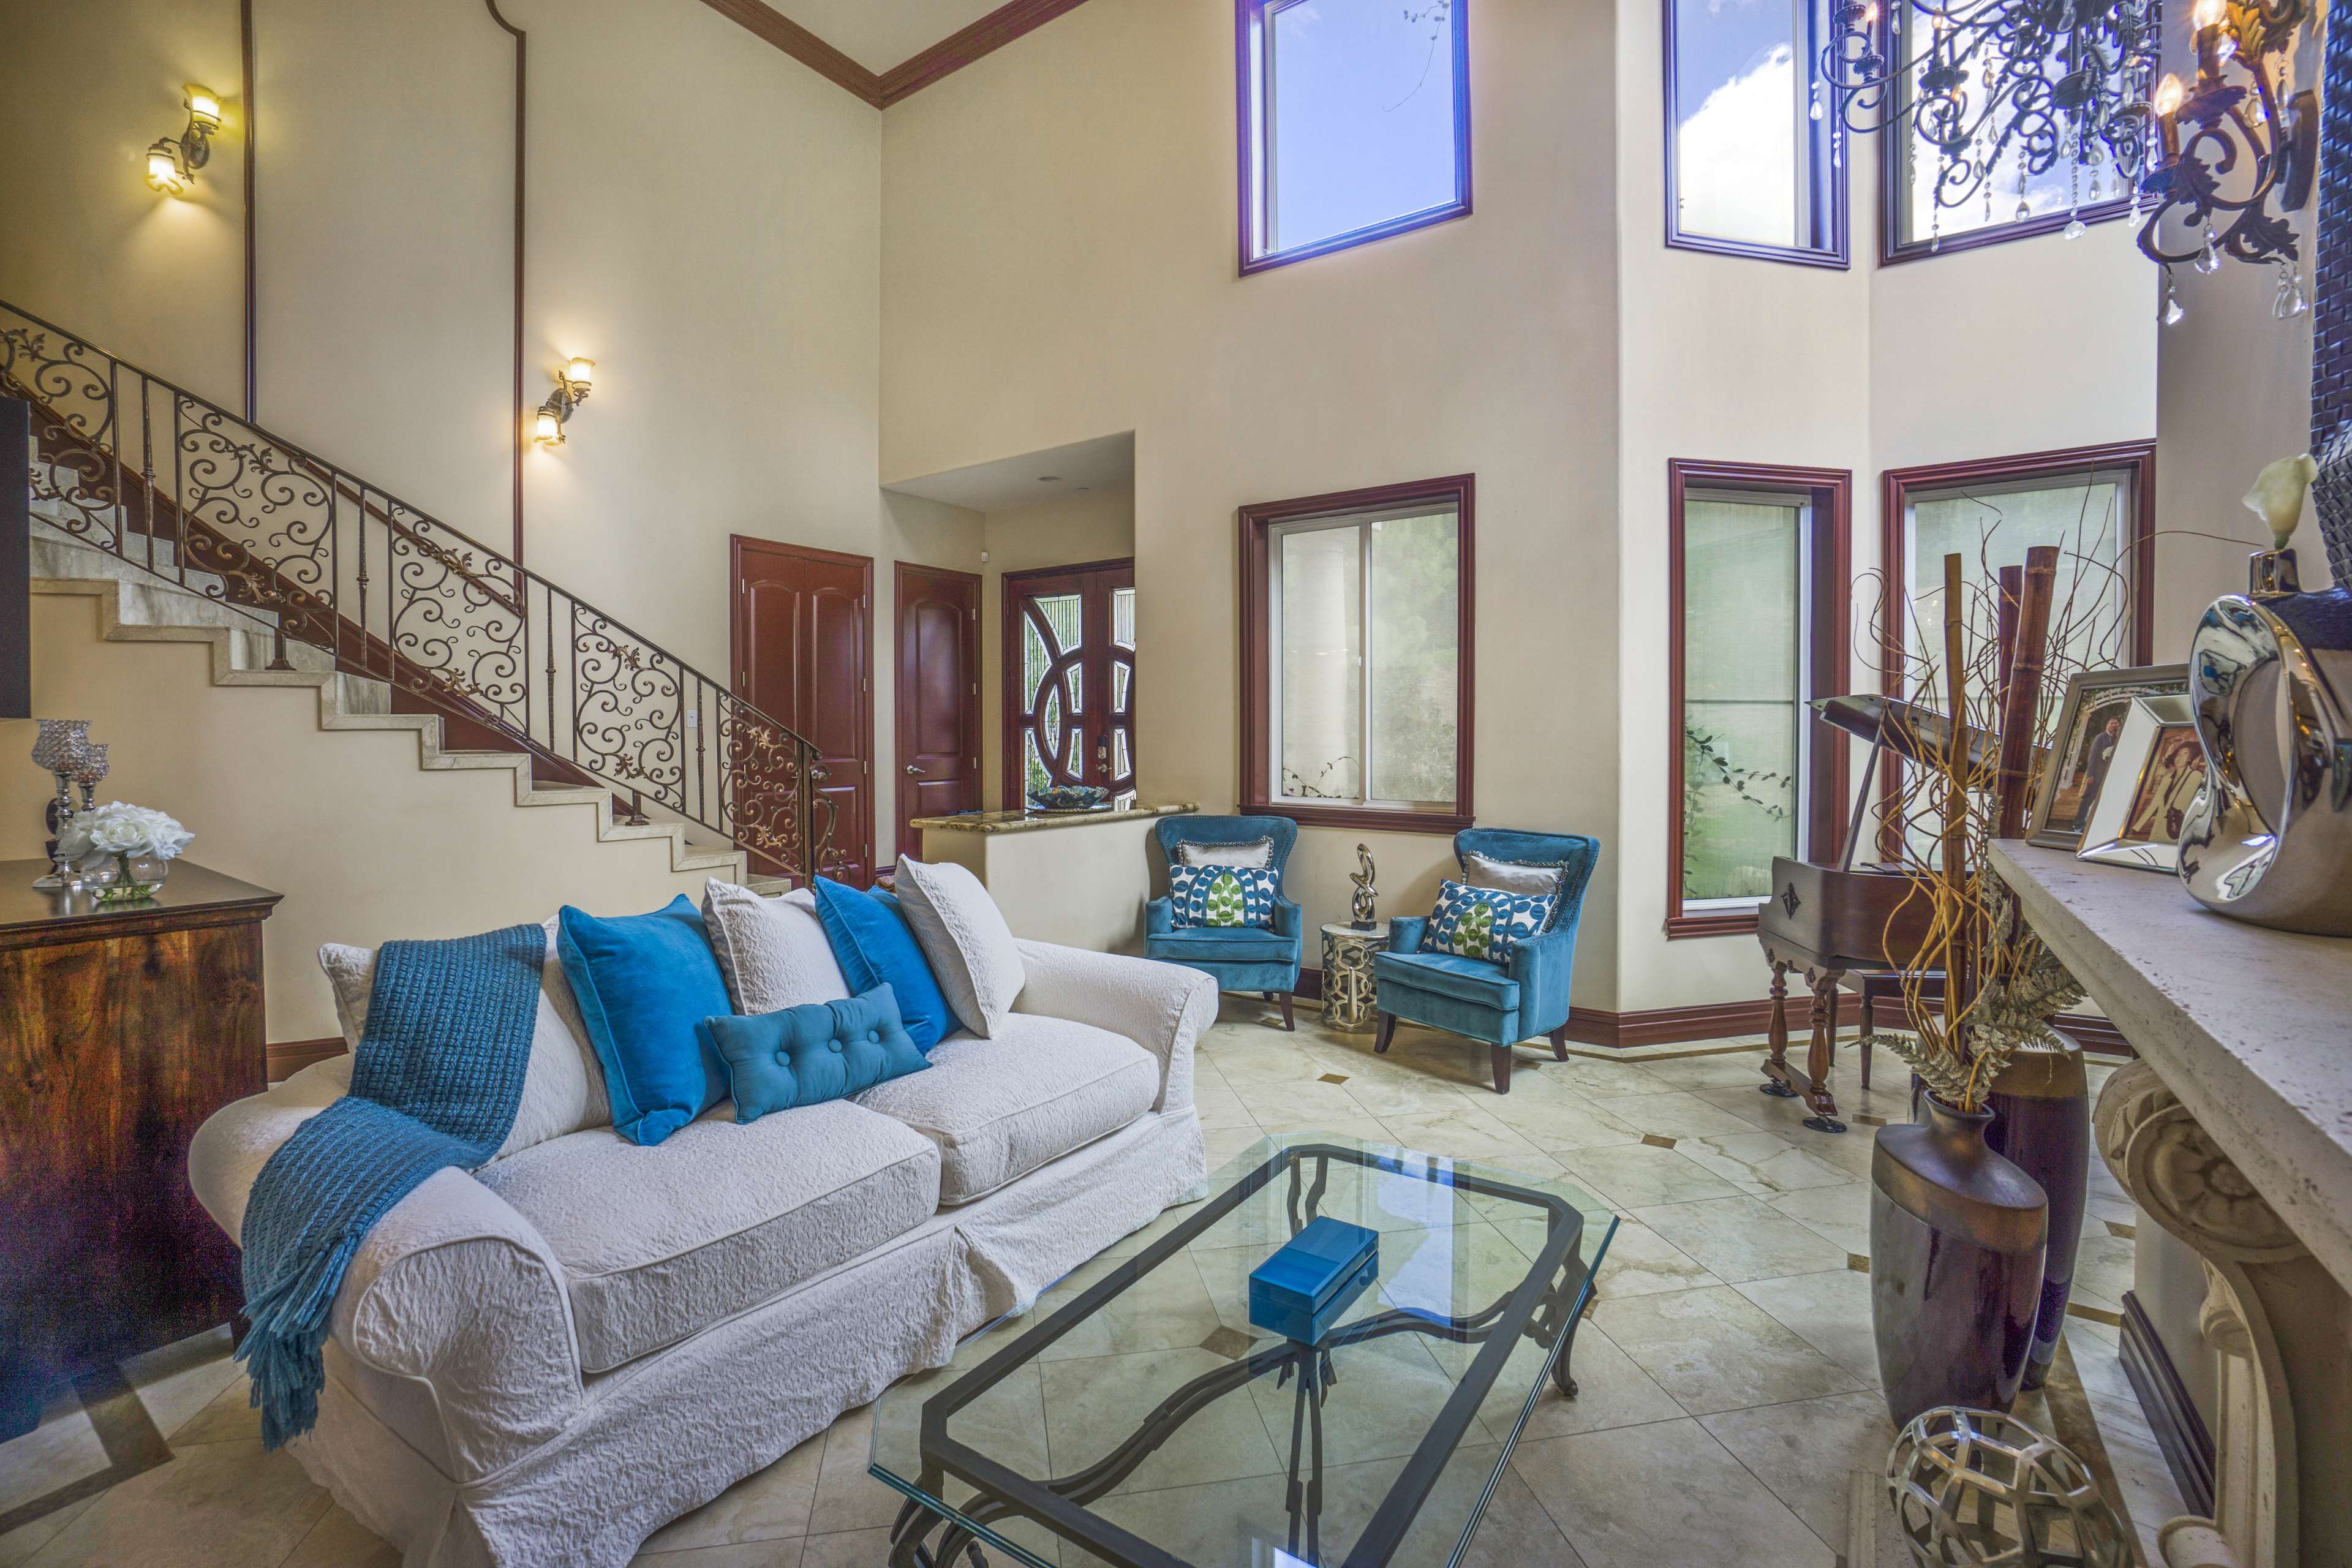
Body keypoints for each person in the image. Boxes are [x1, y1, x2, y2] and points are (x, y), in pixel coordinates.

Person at [2072, 714, 2123, 830]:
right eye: (2112, 723)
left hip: (2109, 775)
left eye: (2116, 724)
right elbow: (2093, 756)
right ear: (2107, 725)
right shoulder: (2100, 737)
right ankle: (2078, 823)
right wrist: (2090, 775)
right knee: (2088, 798)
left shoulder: (2118, 739)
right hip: (2096, 775)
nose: (2114, 725)